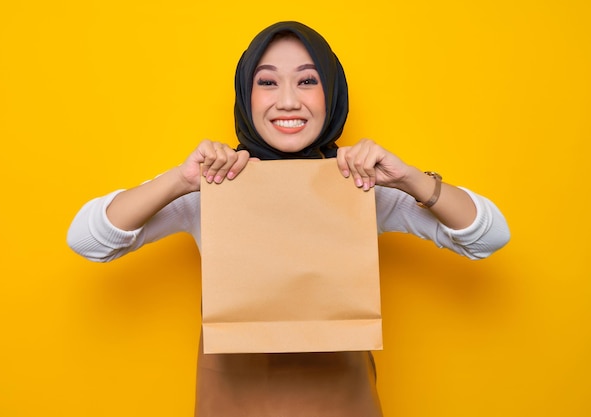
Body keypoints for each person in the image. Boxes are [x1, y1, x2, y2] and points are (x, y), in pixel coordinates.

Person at [67, 21, 510, 417]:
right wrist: (179, 181)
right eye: (267, 82)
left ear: (331, 93)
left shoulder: (358, 184)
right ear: (246, 94)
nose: (287, 101)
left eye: (307, 80)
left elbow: (488, 237)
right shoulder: (214, 185)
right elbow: (89, 240)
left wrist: (409, 178)